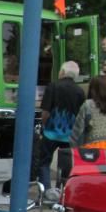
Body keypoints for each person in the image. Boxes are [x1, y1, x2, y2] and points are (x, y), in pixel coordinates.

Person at [38, 60, 85, 201]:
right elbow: (80, 115)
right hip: (69, 135)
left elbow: (45, 111)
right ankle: (63, 191)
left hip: (50, 133)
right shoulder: (80, 91)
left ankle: (46, 191)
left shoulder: (53, 87)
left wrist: (43, 124)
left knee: (44, 162)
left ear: (62, 72)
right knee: (65, 164)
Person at [70, 75, 106, 153]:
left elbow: (78, 129)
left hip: (89, 147)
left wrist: (73, 146)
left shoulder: (88, 104)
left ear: (93, 89)